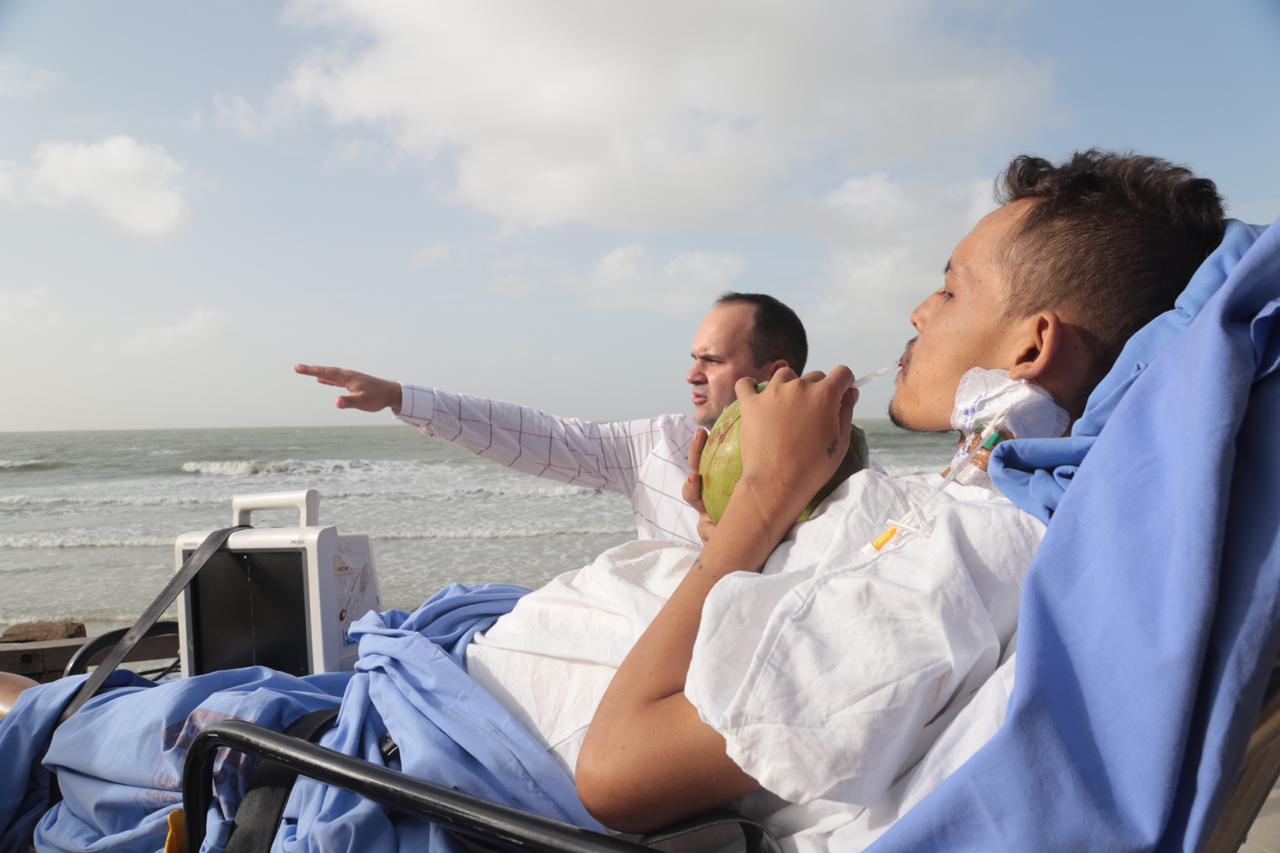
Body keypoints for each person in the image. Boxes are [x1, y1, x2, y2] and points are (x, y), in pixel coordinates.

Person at [0, 150, 1227, 852]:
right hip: (422, 701)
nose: (914, 311)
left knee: (43, 716)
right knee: (49, 703)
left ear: (1028, 348)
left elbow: (620, 771)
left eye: (948, 286)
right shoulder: (964, 499)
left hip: (389, 772)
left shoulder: (962, 559)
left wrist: (768, 499)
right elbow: (552, 442)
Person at [294, 292, 809, 546]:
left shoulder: (831, 467)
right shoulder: (656, 445)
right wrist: (398, 396)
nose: (691, 375)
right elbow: (532, 435)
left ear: (773, 372)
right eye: (695, 358)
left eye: (712, 361)